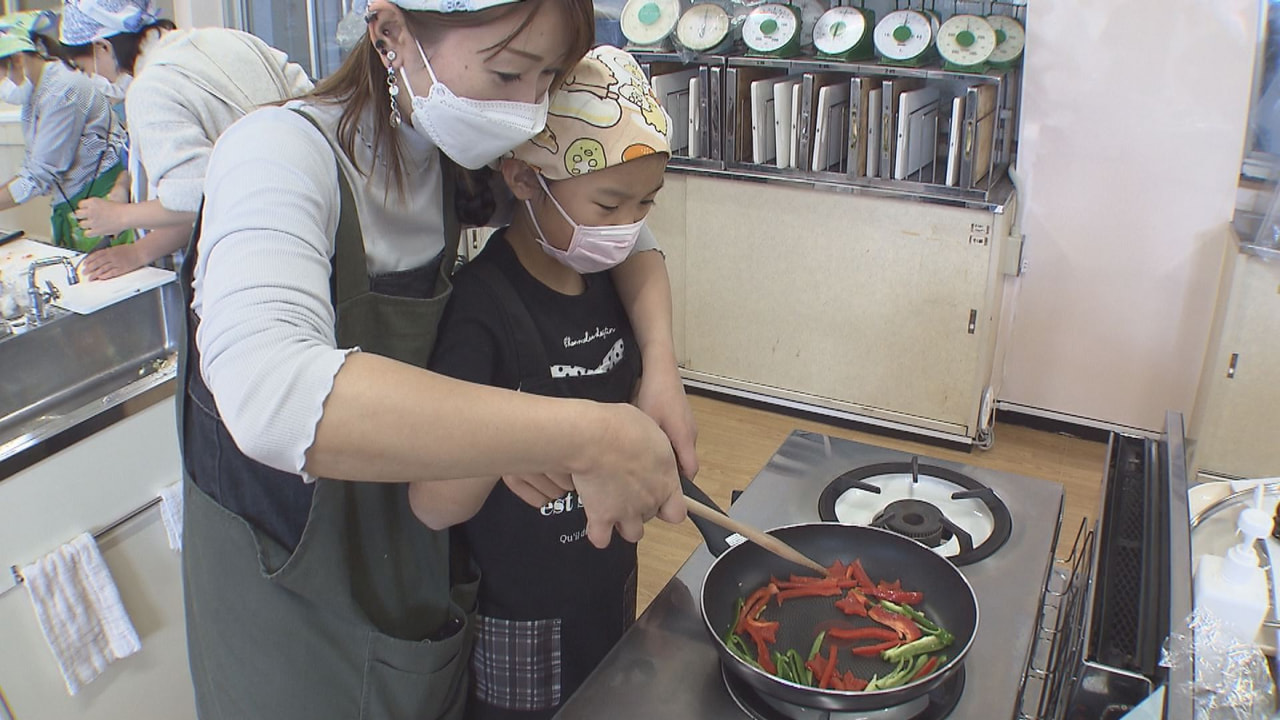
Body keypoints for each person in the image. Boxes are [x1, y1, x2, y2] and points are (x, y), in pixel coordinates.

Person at [181, 1, 696, 718]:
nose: (527, 109)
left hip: (413, 562)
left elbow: (616, 222)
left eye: (548, 77)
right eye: (511, 71)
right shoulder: (277, 153)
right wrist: (583, 431)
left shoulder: (451, 159)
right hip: (290, 585)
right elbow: (271, 393)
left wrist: (660, 365)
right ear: (392, 34)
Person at [408, 45, 673, 719]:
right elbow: (436, 500)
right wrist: (520, 438)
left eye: (645, 204)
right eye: (609, 204)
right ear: (526, 179)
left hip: (607, 582)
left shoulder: (608, 280)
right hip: (517, 617)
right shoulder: (482, 307)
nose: (627, 229)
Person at [57, 0, 313, 280]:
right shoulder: (223, 39)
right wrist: (125, 186)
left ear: (102, 47)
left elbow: (195, 197)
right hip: (308, 220)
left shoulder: (150, 88)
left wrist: (120, 216)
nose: (95, 78)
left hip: (257, 256)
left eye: (85, 69)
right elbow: (308, 102)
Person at [0, 10, 132, 252]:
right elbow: (33, 165)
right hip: (76, 201)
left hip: (103, 196)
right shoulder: (36, 93)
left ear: (18, 59)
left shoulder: (63, 91)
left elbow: (38, 175)